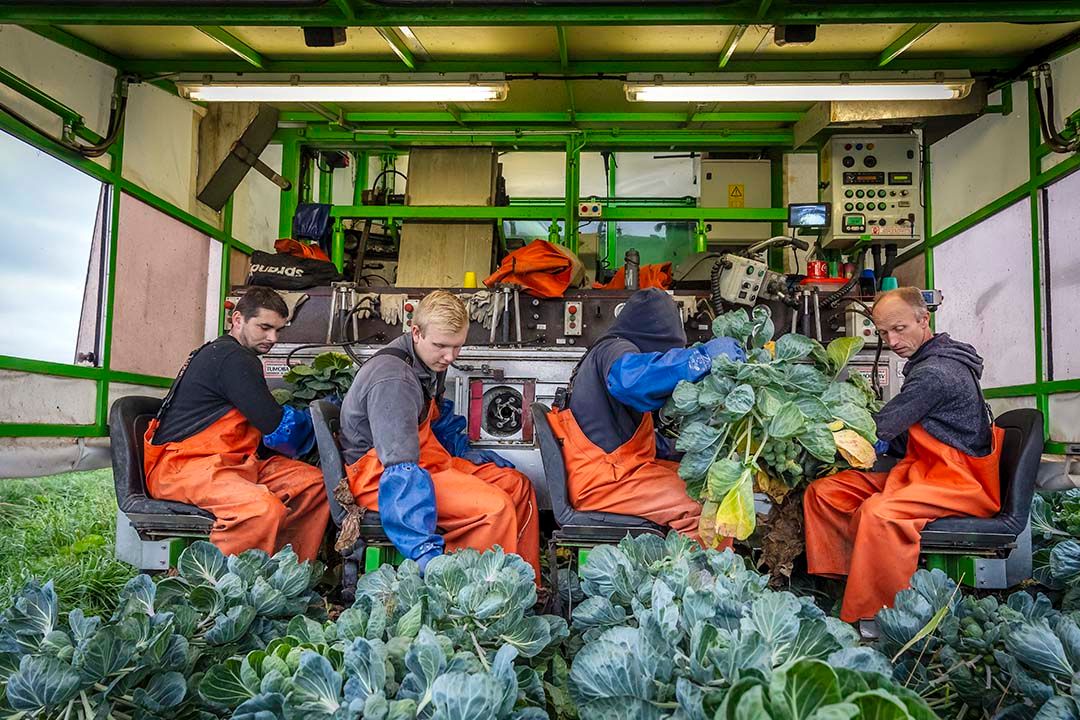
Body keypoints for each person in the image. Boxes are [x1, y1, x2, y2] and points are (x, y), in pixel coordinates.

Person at [803, 287, 1003, 623]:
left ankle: (877, 617)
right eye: (883, 332)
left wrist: (814, 432)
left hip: (958, 482)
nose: (892, 341)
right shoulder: (926, 362)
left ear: (923, 320)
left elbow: (880, 428)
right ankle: (846, 580)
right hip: (920, 471)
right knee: (825, 493)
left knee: (878, 513)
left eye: (900, 329)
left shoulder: (935, 373)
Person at [338, 290, 540, 577]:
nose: (450, 357)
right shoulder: (395, 379)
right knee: (493, 508)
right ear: (416, 332)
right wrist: (422, 550)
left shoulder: (428, 362)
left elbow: (435, 418)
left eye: (458, 347)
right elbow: (399, 471)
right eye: (442, 346)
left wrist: (462, 450)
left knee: (516, 486)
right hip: (383, 479)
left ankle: (525, 585)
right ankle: (469, 594)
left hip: (425, 463)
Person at [143, 286, 330, 562]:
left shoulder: (232, 355)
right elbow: (276, 425)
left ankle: (288, 572)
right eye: (264, 327)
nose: (273, 338)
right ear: (238, 319)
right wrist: (323, 421)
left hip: (233, 463)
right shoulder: (232, 358)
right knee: (261, 510)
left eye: (279, 330)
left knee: (315, 484)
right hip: (185, 467)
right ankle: (223, 590)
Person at [545, 288, 745, 542]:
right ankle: (705, 580)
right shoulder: (615, 350)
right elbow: (632, 382)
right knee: (702, 507)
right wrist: (701, 358)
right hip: (603, 484)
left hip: (617, 471)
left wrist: (687, 449)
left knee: (706, 485)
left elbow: (624, 438)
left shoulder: (610, 348)